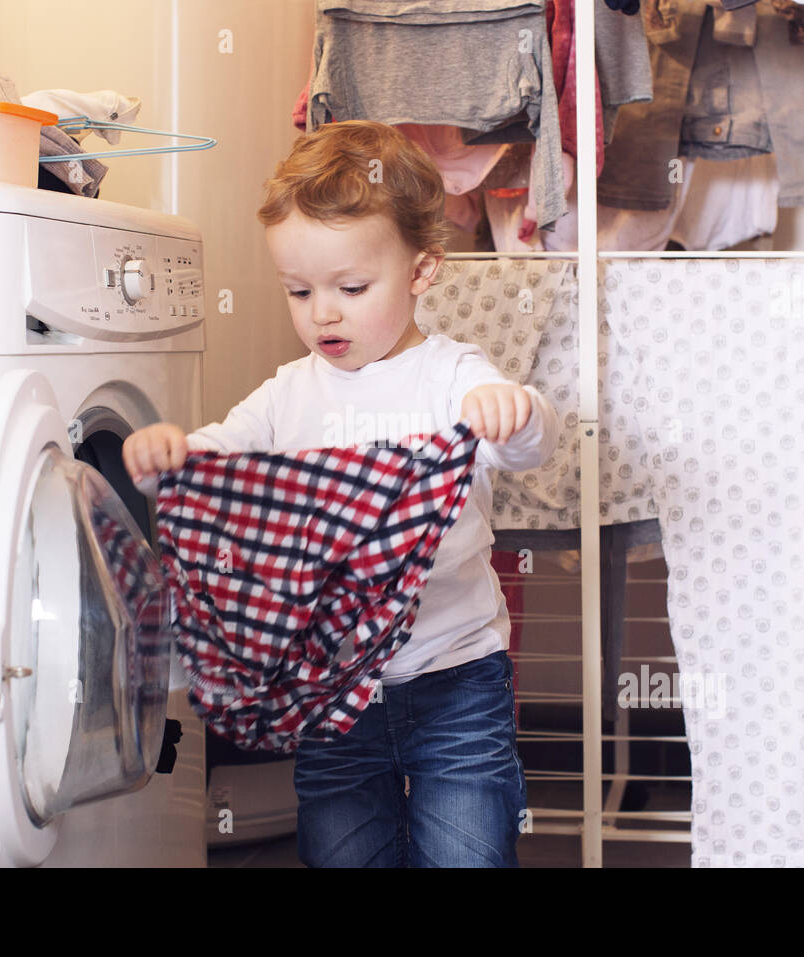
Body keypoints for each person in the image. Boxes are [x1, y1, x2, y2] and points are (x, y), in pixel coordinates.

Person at [122, 119, 558, 867]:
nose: (322, 311)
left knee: (469, 852)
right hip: (329, 690)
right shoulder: (289, 394)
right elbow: (219, 454)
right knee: (342, 850)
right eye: (299, 290)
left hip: (456, 679)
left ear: (422, 271)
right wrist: (173, 453)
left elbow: (531, 440)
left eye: (351, 288)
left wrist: (515, 412)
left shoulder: (454, 375)